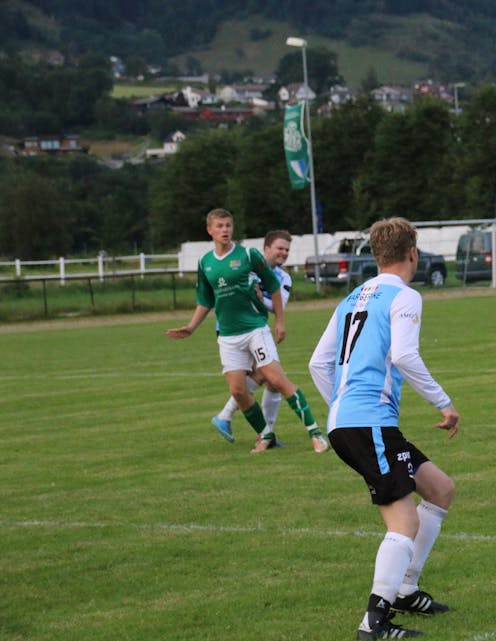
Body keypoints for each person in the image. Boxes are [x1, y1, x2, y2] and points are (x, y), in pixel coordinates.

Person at [309, 217, 460, 640]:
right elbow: (405, 356)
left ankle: (406, 589)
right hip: (367, 423)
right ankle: (373, 622)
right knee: (403, 523)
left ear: (377, 256)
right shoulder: (405, 295)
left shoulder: (351, 298)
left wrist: (340, 408)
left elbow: (318, 363)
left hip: (353, 422)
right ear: (412, 253)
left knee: (440, 490)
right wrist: (444, 403)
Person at [166, 209, 327, 454]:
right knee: (238, 390)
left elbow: (273, 287)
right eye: (219, 226)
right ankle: (266, 435)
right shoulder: (205, 262)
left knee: (276, 379)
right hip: (227, 335)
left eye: (228, 225)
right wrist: (190, 327)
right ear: (209, 230)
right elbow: (205, 300)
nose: (225, 230)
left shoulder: (248, 255)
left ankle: (315, 433)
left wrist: (280, 322)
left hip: (255, 329)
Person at [209, 230, 329, 453]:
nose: (283, 253)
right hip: (233, 330)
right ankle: (234, 419)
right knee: (268, 377)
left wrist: (260, 299)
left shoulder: (284, 277)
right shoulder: (246, 265)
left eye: (287, 250)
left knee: (271, 380)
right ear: (266, 248)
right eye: (279, 248)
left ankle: (257, 430)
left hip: (256, 328)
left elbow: (276, 305)